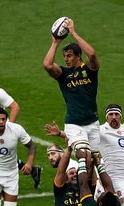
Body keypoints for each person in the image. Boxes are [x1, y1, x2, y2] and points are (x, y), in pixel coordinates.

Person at [0, 66, 42, 188]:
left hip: (0, 130)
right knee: (1, 157)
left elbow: (15, 107)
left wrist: (7, 126)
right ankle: (33, 171)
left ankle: (3, 181)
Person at [43, 18, 100, 157]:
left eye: (69, 56)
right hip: (73, 123)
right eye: (64, 57)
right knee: (83, 155)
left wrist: (73, 32)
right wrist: (55, 42)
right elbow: (47, 65)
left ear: (78, 56)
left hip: (93, 123)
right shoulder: (63, 74)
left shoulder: (90, 71)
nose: (66, 59)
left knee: (94, 160)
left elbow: (91, 54)